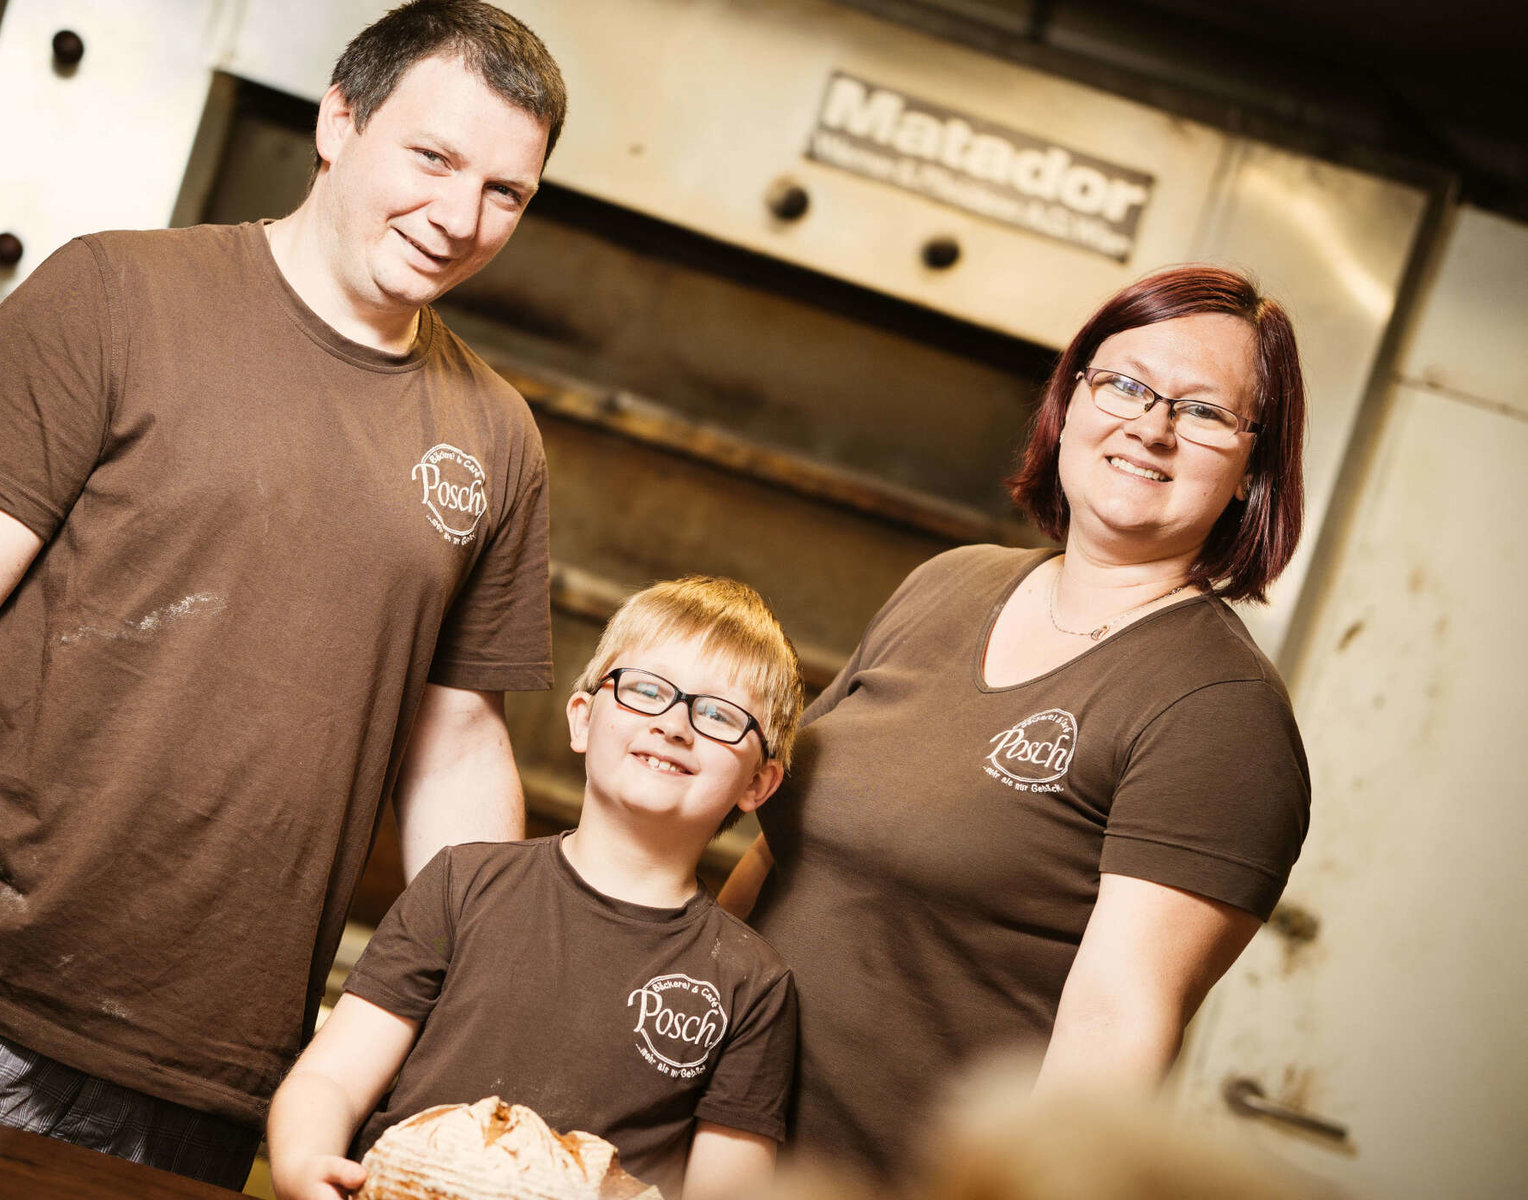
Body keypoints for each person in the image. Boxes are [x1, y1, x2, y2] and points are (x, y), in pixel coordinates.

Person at [0, 2, 565, 1195]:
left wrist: (460, 1035)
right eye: (433, 157)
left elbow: (457, 745)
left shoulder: (494, 437)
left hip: (220, 1071)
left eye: (505, 192)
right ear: (340, 118)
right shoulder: (119, 292)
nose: (459, 216)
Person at [719, 265, 1312, 1181]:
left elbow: (1114, 1031)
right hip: (702, 1142)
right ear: (1070, 401)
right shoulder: (949, 584)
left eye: (1202, 412)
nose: (1149, 426)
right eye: (1124, 383)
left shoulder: (1216, 714)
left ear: (1251, 470)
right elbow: (777, 857)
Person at [266, 577, 805, 1200]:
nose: (675, 725)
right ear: (582, 719)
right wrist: (304, 1162)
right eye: (647, 690)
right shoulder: (461, 883)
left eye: (718, 714)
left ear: (758, 785)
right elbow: (331, 1077)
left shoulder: (752, 983)